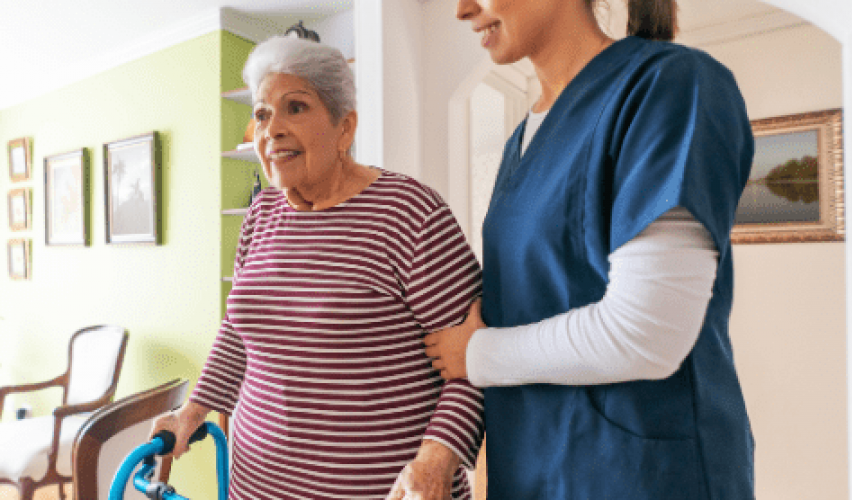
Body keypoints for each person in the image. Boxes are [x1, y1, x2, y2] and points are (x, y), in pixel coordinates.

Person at [424, 1, 755, 498]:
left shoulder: (670, 86)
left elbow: (647, 333)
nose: (462, 9)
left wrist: (477, 354)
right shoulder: (521, 140)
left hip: (639, 476)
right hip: (535, 469)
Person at [151, 36, 484, 500]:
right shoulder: (260, 216)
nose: (272, 130)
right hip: (255, 486)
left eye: (296, 107)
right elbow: (236, 332)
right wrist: (194, 410)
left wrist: (435, 460)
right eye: (263, 114)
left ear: (344, 127)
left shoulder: (409, 212)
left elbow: (472, 364)